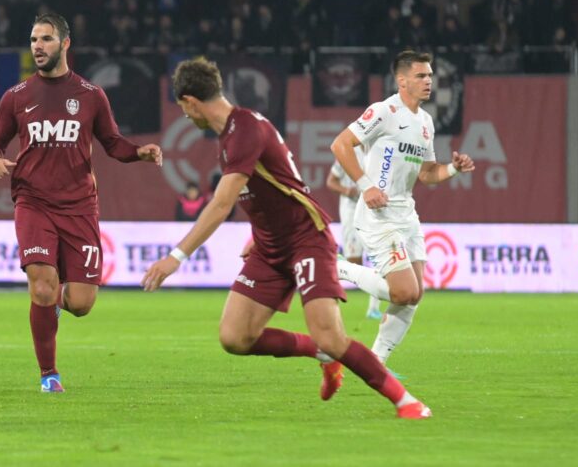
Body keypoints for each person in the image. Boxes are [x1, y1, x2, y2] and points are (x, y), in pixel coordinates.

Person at [142, 57, 431, 419]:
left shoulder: (243, 129)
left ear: (190, 101)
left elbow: (221, 204)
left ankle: (406, 401)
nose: (185, 116)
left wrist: (176, 257)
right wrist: (258, 231)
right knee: (235, 337)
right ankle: (319, 354)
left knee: (332, 336)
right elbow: (273, 186)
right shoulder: (234, 132)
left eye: (183, 108)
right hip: (270, 244)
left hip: (306, 238)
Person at [0, 12, 163, 393]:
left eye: (46, 39)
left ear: (65, 44)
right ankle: (49, 374)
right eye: (33, 39)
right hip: (32, 202)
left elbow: (112, 143)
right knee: (43, 287)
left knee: (80, 303)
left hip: (80, 205)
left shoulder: (91, 95)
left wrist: (139, 153)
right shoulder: (16, 97)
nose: (37, 46)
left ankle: (52, 309)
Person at [330, 50, 475, 368]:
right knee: (403, 290)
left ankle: (375, 363)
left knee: (415, 294)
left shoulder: (425, 122)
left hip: (406, 215)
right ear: (402, 80)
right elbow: (340, 144)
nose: (429, 81)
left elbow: (427, 174)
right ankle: (337, 268)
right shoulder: (383, 111)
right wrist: (365, 184)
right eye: (421, 75)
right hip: (378, 216)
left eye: (430, 75)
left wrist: (452, 169)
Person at [326, 148, 382, 320]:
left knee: (378, 258)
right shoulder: (348, 153)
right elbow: (331, 181)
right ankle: (337, 268)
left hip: (372, 211)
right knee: (354, 261)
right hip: (351, 211)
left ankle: (373, 309)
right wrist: (347, 191)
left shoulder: (379, 150)